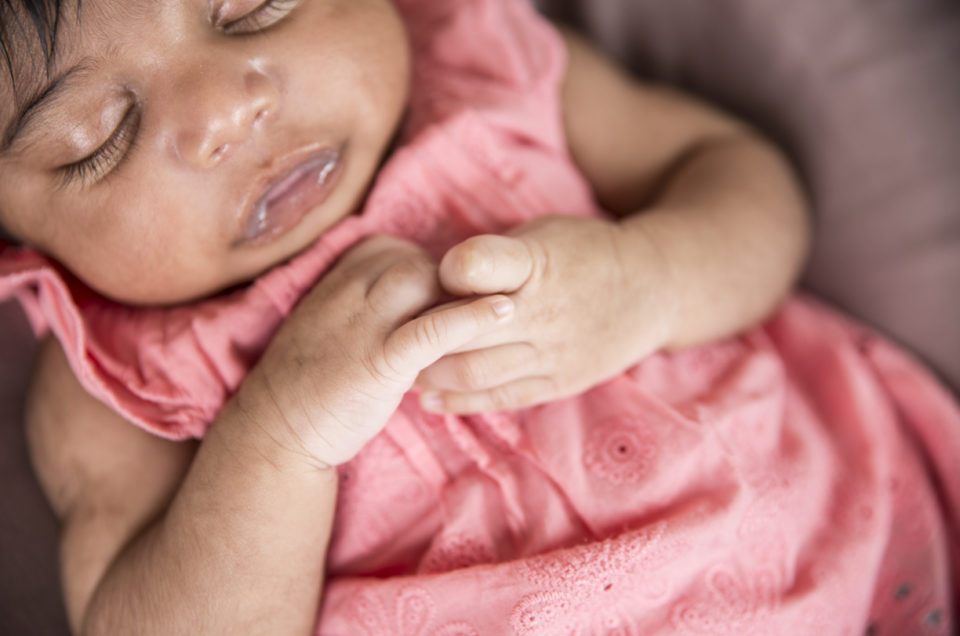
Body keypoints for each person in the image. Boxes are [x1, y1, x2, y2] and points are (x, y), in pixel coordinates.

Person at [0, 0, 956, 633]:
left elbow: (740, 177)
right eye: (97, 138)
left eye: (256, 4)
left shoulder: (487, 75)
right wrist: (278, 436)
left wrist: (647, 277)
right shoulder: (114, 377)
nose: (228, 110)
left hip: (836, 562)